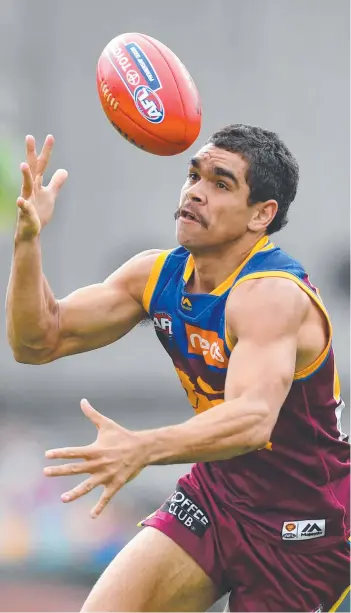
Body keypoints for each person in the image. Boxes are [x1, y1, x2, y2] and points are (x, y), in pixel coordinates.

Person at [6, 125, 350, 613]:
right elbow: (37, 341)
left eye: (221, 183)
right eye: (194, 175)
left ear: (262, 215)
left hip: (302, 531)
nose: (195, 192)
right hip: (217, 500)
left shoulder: (271, 295)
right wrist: (28, 243)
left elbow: (253, 420)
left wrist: (142, 447)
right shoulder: (156, 274)